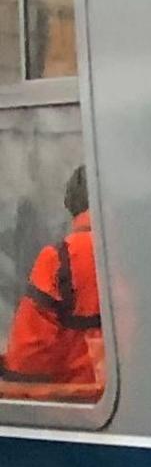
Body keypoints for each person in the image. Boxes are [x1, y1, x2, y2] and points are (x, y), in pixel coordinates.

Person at [2, 165, 98, 394]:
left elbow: (28, 360)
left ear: (73, 204)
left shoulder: (61, 259)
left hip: (77, 409)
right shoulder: (146, 251)